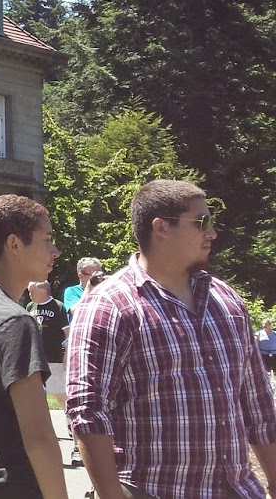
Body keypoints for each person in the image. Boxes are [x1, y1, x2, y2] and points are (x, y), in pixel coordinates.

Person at [66, 179, 276, 499]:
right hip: (153, 490)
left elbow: (258, 404)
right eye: (201, 222)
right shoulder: (110, 306)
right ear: (161, 227)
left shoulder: (227, 300)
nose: (212, 233)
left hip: (238, 490)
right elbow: (88, 412)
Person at [0, 194, 67, 498]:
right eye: (47, 240)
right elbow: (39, 437)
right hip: (14, 487)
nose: (55, 251)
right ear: (14, 244)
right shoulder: (15, 321)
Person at [25, 280, 69, 415]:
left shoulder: (58, 307)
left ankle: (70, 420)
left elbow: (67, 332)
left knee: (60, 393)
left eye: (32, 292)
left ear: (43, 292)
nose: (29, 294)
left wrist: (66, 353)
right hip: (35, 357)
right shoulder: (30, 306)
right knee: (35, 394)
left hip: (54, 357)